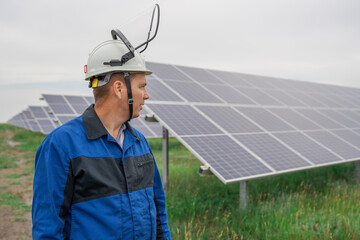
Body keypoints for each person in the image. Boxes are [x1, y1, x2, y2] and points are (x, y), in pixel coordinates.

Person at [32, 31, 171, 239]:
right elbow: (48, 230)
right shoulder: (60, 146)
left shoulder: (140, 144)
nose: (147, 95)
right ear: (119, 88)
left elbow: (159, 218)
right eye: (142, 86)